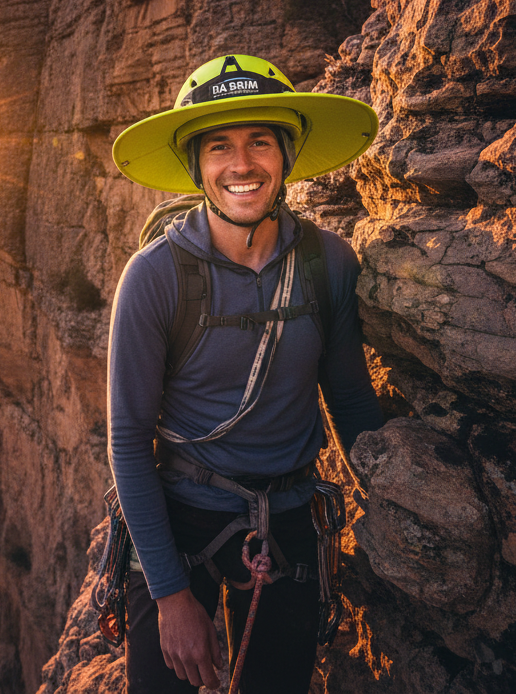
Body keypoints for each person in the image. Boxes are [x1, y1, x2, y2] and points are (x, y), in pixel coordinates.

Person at [107, 54, 384, 693]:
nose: (242, 164)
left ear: (286, 156)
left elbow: (349, 399)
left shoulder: (328, 264)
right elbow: (128, 441)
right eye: (219, 147)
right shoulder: (154, 278)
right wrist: (171, 597)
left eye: (260, 141)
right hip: (181, 521)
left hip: (288, 517)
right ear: (197, 167)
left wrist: (393, 500)